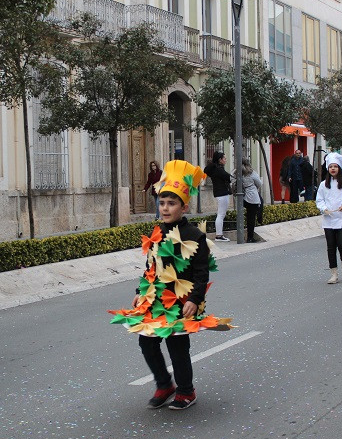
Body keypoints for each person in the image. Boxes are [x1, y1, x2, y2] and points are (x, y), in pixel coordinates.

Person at [109, 160, 233, 410]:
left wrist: (194, 299)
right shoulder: (157, 232)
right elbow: (151, 267)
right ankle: (165, 384)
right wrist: (140, 293)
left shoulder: (194, 236)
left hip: (181, 301)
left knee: (177, 346)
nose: (165, 208)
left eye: (171, 203)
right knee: (146, 341)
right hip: (155, 300)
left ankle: (186, 391)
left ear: (184, 206)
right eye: (162, 203)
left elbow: (201, 272)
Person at [316, 153, 342, 284]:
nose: (333, 169)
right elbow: (319, 200)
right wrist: (324, 208)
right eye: (331, 167)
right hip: (329, 220)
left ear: (339, 168)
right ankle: (334, 273)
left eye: (335, 166)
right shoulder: (323, 185)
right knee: (331, 246)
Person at [204, 151, 232, 241]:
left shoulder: (216, 169)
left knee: (221, 214)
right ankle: (219, 235)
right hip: (222, 193)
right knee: (221, 214)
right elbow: (229, 177)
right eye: (224, 158)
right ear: (220, 160)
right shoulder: (218, 170)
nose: (226, 160)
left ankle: (219, 235)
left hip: (219, 193)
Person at [239, 158, 263, 243]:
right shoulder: (251, 173)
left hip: (241, 197)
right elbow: (259, 183)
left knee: (243, 216)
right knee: (251, 218)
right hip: (252, 197)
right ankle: (250, 237)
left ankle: (243, 236)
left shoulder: (237, 172)